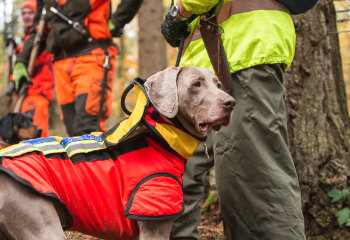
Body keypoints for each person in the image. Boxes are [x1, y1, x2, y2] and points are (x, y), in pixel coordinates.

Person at [161, 0, 306, 239]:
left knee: (253, 184)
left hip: (241, 50)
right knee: (177, 176)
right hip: (208, 64)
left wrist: (178, 12)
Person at [13, 0, 143, 137]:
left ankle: (96, 158)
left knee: (87, 129)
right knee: (73, 132)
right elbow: (38, 30)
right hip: (60, 64)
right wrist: (21, 62)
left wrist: (117, 21)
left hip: (92, 56)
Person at [16, 0, 54, 138]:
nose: (26, 16)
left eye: (30, 13)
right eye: (23, 13)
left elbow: (37, 59)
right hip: (27, 94)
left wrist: (20, 52)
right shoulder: (27, 38)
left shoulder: (42, 37)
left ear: (37, 14)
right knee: (28, 137)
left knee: (36, 136)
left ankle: (44, 159)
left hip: (38, 93)